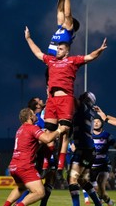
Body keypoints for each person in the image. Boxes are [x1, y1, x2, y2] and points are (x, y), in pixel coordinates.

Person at [24, 26, 107, 175]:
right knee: (48, 133)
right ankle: (45, 163)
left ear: (67, 51)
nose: (57, 51)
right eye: (57, 48)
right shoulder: (51, 61)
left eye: (61, 49)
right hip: (52, 100)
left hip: (65, 100)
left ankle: (61, 165)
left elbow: (89, 57)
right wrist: (29, 38)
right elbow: (37, 53)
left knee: (64, 132)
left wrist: (99, 50)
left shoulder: (72, 61)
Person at [0, 108, 65, 206]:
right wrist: (59, 130)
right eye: (34, 114)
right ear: (30, 117)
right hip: (24, 166)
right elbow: (47, 139)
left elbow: (32, 143)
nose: (36, 116)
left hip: (14, 166)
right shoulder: (32, 128)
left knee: (21, 187)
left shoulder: (20, 129)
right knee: (40, 192)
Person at [63, 92, 106, 206]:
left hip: (84, 149)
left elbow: (73, 100)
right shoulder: (87, 112)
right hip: (88, 149)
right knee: (82, 180)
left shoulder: (83, 107)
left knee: (72, 178)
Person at [90, 115, 116, 206]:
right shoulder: (88, 135)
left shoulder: (107, 135)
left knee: (100, 185)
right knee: (98, 191)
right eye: (94, 121)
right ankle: (110, 203)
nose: (96, 123)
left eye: (98, 121)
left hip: (104, 165)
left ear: (102, 123)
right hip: (91, 166)